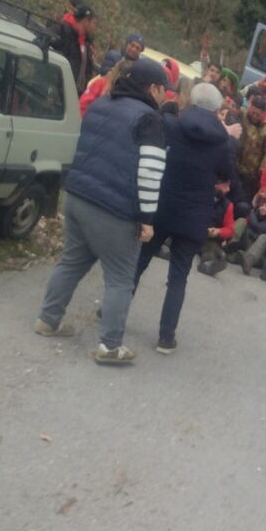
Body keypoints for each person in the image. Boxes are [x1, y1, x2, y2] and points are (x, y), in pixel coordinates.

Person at [35, 57, 168, 364]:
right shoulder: (150, 120)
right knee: (121, 279)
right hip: (114, 211)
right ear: (153, 88)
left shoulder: (102, 103)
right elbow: (150, 173)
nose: (166, 97)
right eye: (165, 90)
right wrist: (146, 219)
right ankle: (109, 347)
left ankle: (47, 319)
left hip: (78, 197)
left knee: (71, 261)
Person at [133, 82, 233, 353]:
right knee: (178, 278)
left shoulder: (169, 124)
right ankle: (166, 338)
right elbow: (226, 176)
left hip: (162, 208)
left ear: (191, 101)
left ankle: (112, 310)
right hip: (194, 216)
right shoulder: (223, 142)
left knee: (139, 261)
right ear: (216, 110)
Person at [237, 90, 266, 202]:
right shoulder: (242, 115)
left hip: (251, 174)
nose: (254, 116)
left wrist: (261, 172)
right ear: (249, 107)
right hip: (235, 165)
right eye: (252, 112)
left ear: (263, 113)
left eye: (257, 114)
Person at [58, 1, 97, 95]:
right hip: (59, 91)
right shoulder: (63, 31)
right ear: (86, 21)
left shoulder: (86, 42)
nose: (95, 27)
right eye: (94, 23)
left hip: (74, 93)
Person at [198, 179, 234, 277]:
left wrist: (219, 231)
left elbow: (230, 230)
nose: (228, 189)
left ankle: (207, 265)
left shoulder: (228, 205)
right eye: (226, 186)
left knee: (210, 248)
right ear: (216, 185)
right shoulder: (200, 194)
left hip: (209, 237)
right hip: (193, 230)